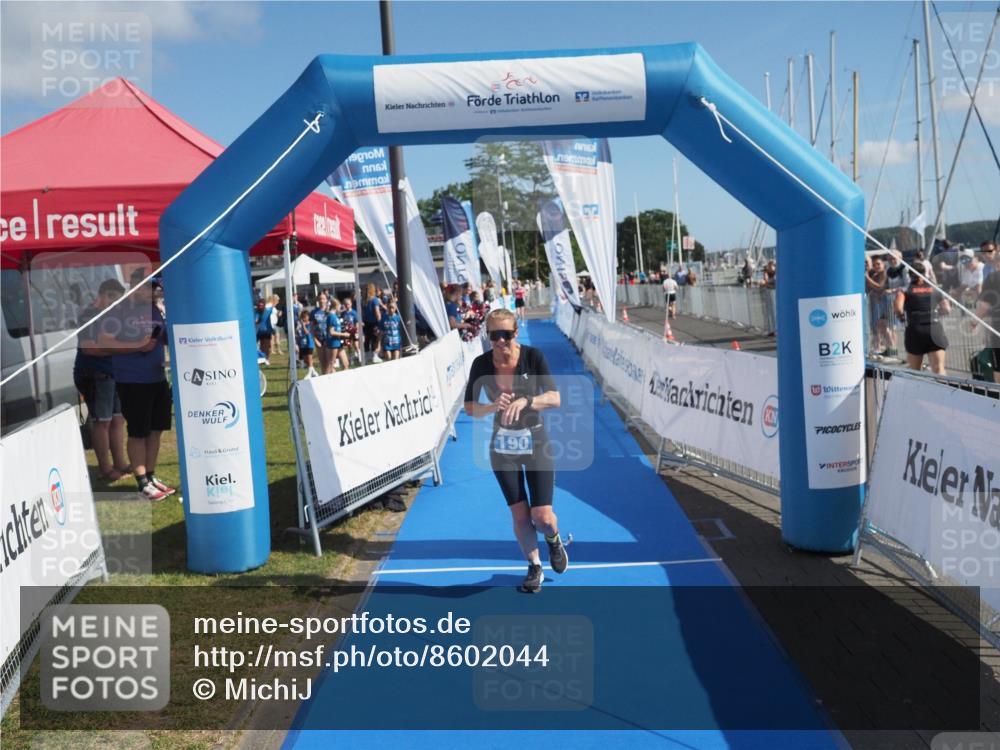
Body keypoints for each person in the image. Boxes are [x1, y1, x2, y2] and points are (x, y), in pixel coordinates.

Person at [464, 308, 566, 593]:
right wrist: (491, 407)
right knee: (520, 515)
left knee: (542, 517)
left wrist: (527, 402)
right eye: (494, 335)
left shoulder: (533, 358)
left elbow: (555, 398)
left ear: (515, 333)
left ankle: (554, 540)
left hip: (535, 442)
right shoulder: (481, 364)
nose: (500, 341)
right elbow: (469, 407)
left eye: (505, 335)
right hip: (503, 446)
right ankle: (534, 567)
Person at [99, 268, 175, 501]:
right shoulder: (119, 310)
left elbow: (160, 337)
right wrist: (137, 347)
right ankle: (141, 482)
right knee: (138, 432)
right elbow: (103, 344)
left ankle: (150, 476)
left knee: (156, 429)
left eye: (155, 289)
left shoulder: (153, 309)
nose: (154, 293)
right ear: (135, 286)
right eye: (150, 289)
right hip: (132, 380)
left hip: (157, 378)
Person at [74, 279, 130, 481]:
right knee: (102, 423)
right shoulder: (89, 315)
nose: (118, 304)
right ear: (103, 295)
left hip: (111, 373)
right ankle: (106, 469)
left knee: (117, 420)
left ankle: (121, 464)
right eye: (115, 298)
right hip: (95, 374)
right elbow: (89, 348)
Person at [895, 265, 950, 375]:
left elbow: (898, 308)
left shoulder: (904, 290)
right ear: (924, 273)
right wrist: (935, 314)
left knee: (915, 370)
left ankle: (917, 391)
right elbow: (947, 309)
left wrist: (901, 317)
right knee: (939, 368)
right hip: (934, 328)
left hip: (915, 329)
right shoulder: (934, 288)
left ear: (910, 275)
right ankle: (943, 391)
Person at [972, 247, 1000, 383]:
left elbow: (983, 307)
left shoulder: (993, 278)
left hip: (998, 330)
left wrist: (974, 321)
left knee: (999, 368)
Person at [326, 298, 352, 371]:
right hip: (333, 343)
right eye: (339, 306)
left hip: (338, 342)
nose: (340, 308)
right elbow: (331, 332)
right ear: (335, 306)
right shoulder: (331, 316)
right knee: (331, 364)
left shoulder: (335, 316)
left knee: (346, 364)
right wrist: (344, 334)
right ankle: (326, 379)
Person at [310, 292, 332, 375]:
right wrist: (315, 340)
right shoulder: (314, 312)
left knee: (330, 363)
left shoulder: (330, 311)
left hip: (329, 339)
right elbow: (311, 328)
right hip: (319, 340)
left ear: (326, 300)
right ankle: (325, 380)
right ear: (317, 300)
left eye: (323, 298)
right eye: (320, 299)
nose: (321, 301)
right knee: (323, 363)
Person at [363, 283, 384, 363]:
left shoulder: (364, 300)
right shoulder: (374, 299)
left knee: (367, 339)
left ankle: (367, 355)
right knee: (375, 339)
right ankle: (374, 356)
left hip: (366, 323)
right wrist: (380, 323)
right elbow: (377, 312)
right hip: (374, 323)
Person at [295, 310, 317, 378]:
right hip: (302, 344)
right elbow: (298, 334)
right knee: (305, 360)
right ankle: (314, 372)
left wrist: (303, 326)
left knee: (309, 358)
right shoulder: (299, 325)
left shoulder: (310, 324)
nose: (303, 318)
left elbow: (307, 332)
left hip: (309, 343)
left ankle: (309, 373)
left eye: (305, 317)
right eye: (302, 317)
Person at [341, 296, 361, 365]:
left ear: (351, 304)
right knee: (349, 345)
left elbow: (357, 322)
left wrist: (356, 329)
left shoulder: (354, 313)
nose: (347, 305)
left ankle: (359, 357)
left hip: (354, 330)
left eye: (348, 304)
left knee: (356, 344)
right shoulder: (343, 313)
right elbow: (342, 322)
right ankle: (350, 358)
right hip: (347, 332)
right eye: (345, 304)